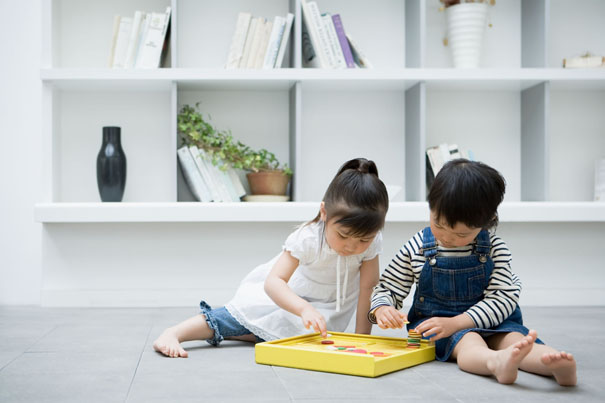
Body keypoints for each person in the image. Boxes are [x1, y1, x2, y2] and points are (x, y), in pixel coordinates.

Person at [369, 159, 577, 386]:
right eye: (438, 224)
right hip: (441, 327)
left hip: (494, 322)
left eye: (461, 235)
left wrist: (460, 321)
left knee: (516, 340)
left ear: (486, 222)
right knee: (469, 342)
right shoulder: (417, 247)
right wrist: (382, 308)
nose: (446, 237)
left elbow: (503, 298)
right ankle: (495, 362)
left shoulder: (495, 249)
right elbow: (388, 287)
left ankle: (552, 364)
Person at [154, 157, 389, 358]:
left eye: (364, 240)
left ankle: (251, 332)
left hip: (323, 312)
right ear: (324, 212)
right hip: (283, 299)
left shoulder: (372, 242)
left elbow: (368, 288)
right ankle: (174, 333)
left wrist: (362, 339)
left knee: (305, 338)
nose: (352, 246)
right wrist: (303, 309)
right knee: (231, 319)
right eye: (343, 235)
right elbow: (274, 282)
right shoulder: (307, 238)